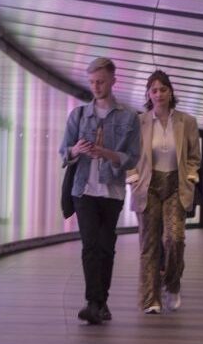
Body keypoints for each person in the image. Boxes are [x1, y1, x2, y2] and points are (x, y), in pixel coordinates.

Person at [59, 56, 141, 326]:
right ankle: (92, 302)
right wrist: (76, 150)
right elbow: (64, 152)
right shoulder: (79, 115)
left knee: (106, 247)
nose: (96, 86)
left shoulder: (128, 118)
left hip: (113, 191)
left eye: (101, 81)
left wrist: (107, 153)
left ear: (113, 81)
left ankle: (101, 302)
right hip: (83, 190)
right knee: (90, 245)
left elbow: (133, 158)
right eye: (92, 82)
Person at [129, 70, 200, 314]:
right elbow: (130, 154)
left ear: (171, 92)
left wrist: (191, 174)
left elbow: (193, 156)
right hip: (148, 185)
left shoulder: (187, 121)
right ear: (149, 94)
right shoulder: (139, 121)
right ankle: (151, 299)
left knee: (174, 239)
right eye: (154, 90)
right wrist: (133, 177)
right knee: (149, 245)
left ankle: (172, 283)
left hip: (175, 185)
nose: (159, 94)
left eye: (163, 89)